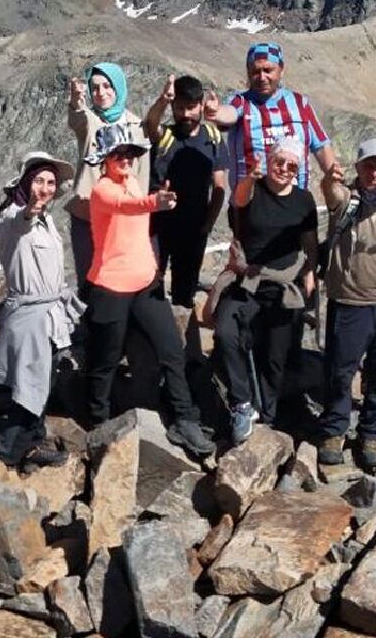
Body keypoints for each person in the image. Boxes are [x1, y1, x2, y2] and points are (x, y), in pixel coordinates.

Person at [80, 126, 216, 457]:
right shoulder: (102, 190)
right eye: (118, 155)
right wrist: (155, 202)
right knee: (106, 360)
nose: (125, 160)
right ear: (105, 161)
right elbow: (127, 206)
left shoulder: (132, 182)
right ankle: (97, 424)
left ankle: (184, 418)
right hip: (110, 285)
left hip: (145, 283)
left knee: (171, 350)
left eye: (129, 155)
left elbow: (136, 206)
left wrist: (152, 201)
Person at [209, 138, 319, 444]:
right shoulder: (253, 189)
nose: (284, 169)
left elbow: (309, 241)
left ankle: (269, 414)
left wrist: (310, 269)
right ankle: (242, 402)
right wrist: (250, 177)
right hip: (247, 278)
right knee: (226, 331)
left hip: (283, 281)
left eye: (291, 165)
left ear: (298, 169)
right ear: (269, 161)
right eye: (279, 162)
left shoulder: (303, 200)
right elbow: (239, 201)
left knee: (275, 355)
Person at [315, 138, 376, 472]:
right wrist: (330, 177)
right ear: (357, 167)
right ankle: (334, 431)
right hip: (350, 303)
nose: (375, 172)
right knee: (340, 373)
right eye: (368, 165)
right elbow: (330, 191)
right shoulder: (346, 199)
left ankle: (373, 432)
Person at [0, 152, 84, 470]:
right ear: (27, 182)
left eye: (51, 182)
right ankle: (8, 449)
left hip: (48, 311)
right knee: (29, 383)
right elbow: (21, 222)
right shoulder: (12, 215)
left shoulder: (48, 218)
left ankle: (30, 441)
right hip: (29, 314)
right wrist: (31, 208)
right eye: (39, 180)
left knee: (42, 378)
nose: (45, 188)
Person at [143, 74, 229, 308]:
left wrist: (208, 224)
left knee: (185, 292)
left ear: (201, 105)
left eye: (191, 107)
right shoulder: (166, 135)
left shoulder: (212, 139)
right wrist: (162, 100)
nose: (186, 114)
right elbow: (151, 123)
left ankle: (180, 341)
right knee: (150, 286)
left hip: (194, 229)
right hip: (158, 226)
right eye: (180, 107)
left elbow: (220, 185)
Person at [66, 63, 151, 298]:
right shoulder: (90, 121)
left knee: (123, 279)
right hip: (88, 215)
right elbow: (77, 119)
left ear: (118, 88)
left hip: (124, 218)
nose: (101, 93)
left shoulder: (136, 125)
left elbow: (141, 173)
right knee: (91, 278)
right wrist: (76, 101)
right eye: (94, 88)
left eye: (107, 86)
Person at [206, 41, 337, 192]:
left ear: (281, 70)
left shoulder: (300, 103)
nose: (262, 77)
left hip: (296, 203)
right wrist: (216, 112)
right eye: (256, 71)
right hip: (251, 204)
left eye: (268, 70)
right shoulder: (241, 102)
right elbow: (229, 113)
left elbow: (321, 146)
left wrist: (334, 175)